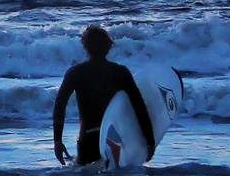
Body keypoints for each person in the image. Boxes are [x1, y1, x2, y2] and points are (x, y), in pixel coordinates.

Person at [52, 25, 155, 167]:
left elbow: (60, 104)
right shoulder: (120, 73)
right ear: (108, 46)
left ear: (85, 46)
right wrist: (150, 141)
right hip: (113, 139)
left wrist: (57, 140)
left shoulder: (75, 72)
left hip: (86, 139)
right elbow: (139, 107)